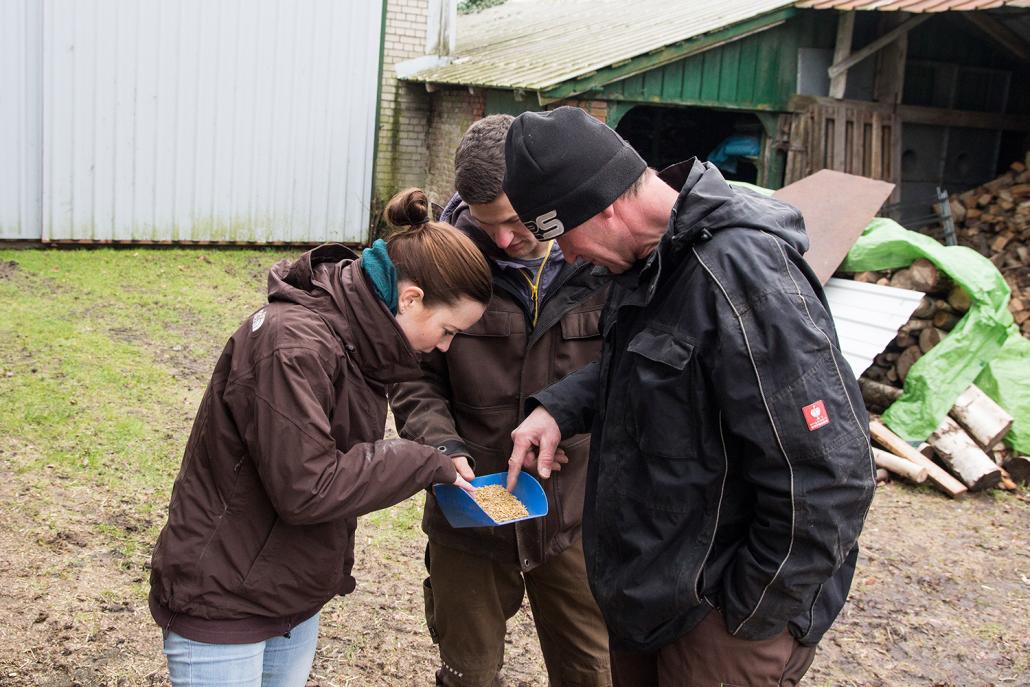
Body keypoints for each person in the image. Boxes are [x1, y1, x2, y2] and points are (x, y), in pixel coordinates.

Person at [502, 107, 876, 686]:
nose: (568, 259)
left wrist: (748, 616)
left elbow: (830, 473)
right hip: (655, 598)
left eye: (561, 237)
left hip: (718, 619)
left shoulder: (739, 272)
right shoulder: (654, 259)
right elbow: (658, 364)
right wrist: (561, 406)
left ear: (605, 205)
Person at [148, 188, 492, 687]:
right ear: (411, 297)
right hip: (225, 601)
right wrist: (422, 462)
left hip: (286, 592)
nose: (443, 347)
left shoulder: (356, 341)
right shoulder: (293, 345)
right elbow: (307, 487)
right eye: (447, 330)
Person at [390, 115, 613, 687]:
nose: (505, 241)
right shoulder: (440, 265)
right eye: (489, 226)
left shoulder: (606, 263)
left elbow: (633, 372)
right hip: (472, 513)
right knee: (468, 675)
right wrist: (440, 445)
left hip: (576, 515)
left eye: (517, 221)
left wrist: (570, 417)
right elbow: (412, 378)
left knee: (595, 671)